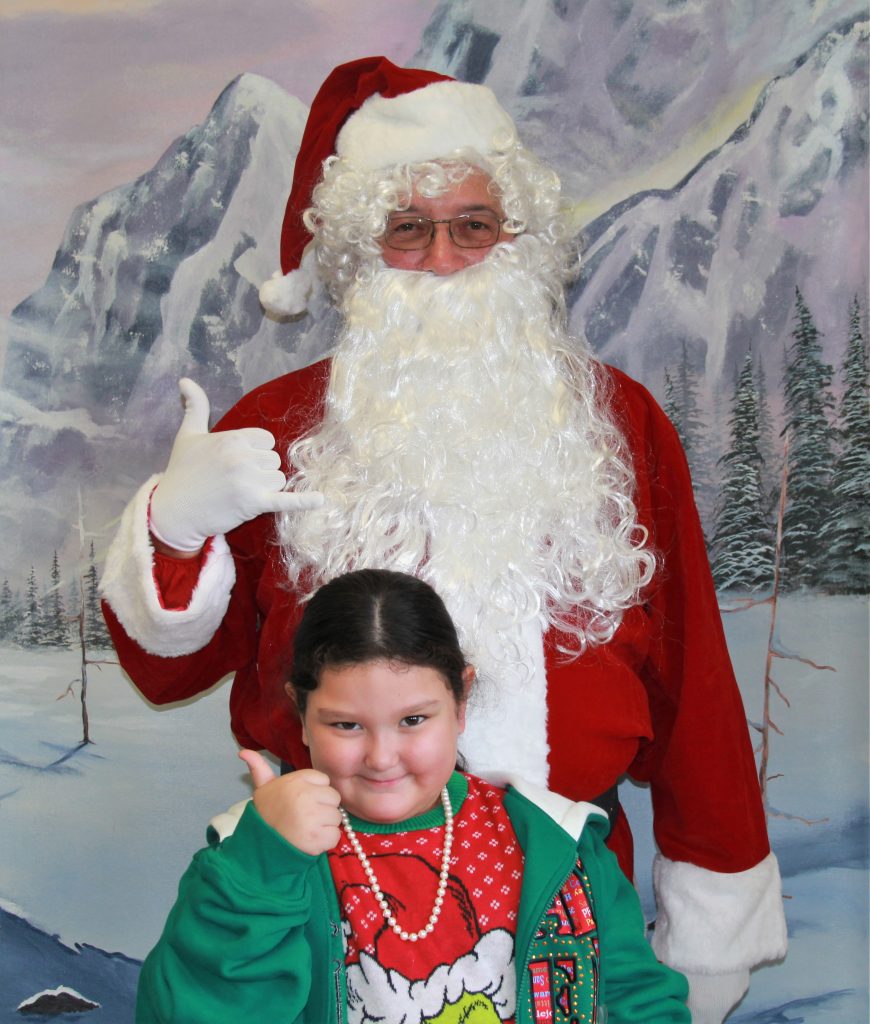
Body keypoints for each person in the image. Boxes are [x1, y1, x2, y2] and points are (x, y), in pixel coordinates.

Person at [101, 57, 786, 1021]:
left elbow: (695, 693)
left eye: (473, 226)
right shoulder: (274, 429)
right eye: (407, 230)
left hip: (569, 915)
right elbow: (166, 669)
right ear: (355, 253)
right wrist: (177, 521)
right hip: (322, 932)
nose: (445, 258)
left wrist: (712, 916)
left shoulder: (617, 424)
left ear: (519, 239)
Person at [136, 569, 691, 1023]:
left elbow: (639, 1002)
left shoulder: (556, 843)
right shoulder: (250, 856)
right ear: (300, 715)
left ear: (461, 700)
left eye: (414, 720)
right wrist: (261, 870)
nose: (382, 757)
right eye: (346, 725)